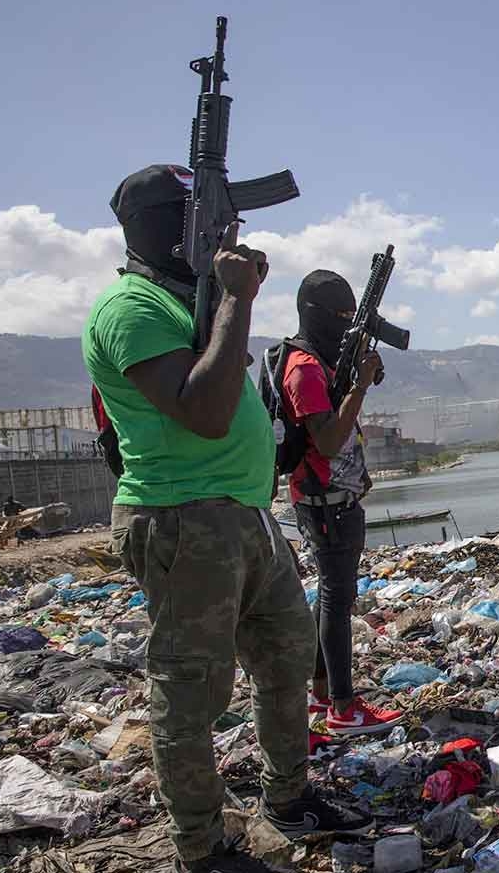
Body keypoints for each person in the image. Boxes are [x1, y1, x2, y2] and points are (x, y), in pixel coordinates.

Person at [83, 165, 367, 873]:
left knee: (287, 656)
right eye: (205, 220)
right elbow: (206, 413)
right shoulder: (132, 308)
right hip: (182, 518)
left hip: (242, 515)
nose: (221, 235)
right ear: (163, 226)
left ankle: (289, 798)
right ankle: (201, 846)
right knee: (191, 689)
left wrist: (228, 299)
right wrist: (237, 299)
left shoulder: (189, 303)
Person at [279, 270, 403, 736]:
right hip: (324, 501)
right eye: (342, 316)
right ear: (317, 315)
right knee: (336, 598)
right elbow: (328, 441)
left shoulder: (320, 364)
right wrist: (361, 384)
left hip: (334, 496)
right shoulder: (305, 369)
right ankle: (344, 707)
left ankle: (320, 691)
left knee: (333, 596)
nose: (348, 322)